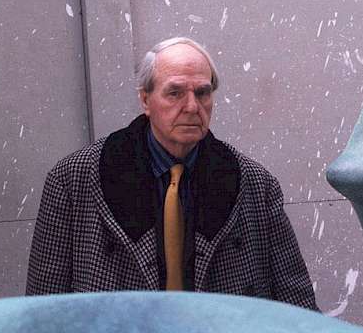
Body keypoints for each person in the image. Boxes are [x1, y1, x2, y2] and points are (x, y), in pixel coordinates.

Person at [26, 37, 318, 310]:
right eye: (175, 93)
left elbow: (296, 301)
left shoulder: (255, 184)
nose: (191, 107)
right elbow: (43, 305)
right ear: (145, 101)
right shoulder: (73, 180)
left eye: (202, 93)